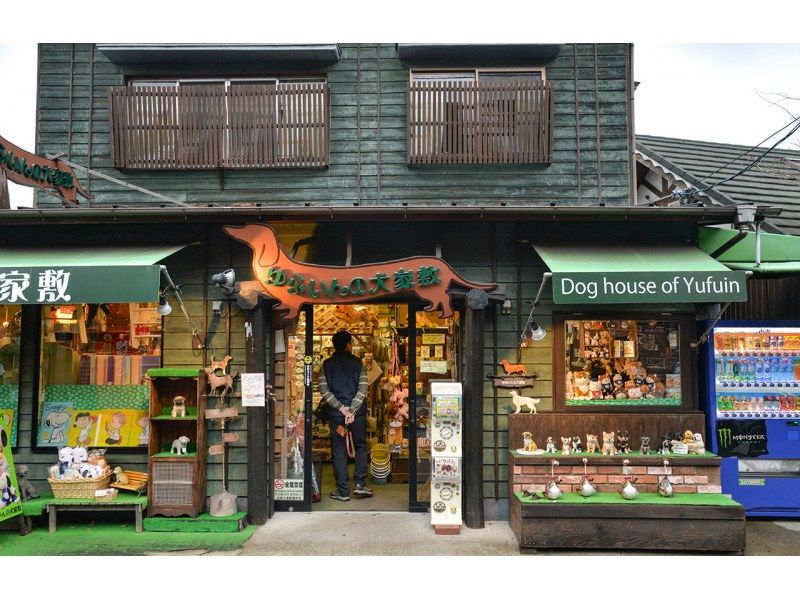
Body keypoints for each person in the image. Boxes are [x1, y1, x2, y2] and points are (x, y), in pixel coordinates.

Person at [318, 330, 373, 501]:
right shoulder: (358, 363)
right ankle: (360, 484)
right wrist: (353, 410)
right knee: (361, 445)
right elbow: (363, 388)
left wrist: (341, 408)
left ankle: (342, 491)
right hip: (358, 414)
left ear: (333, 345)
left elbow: (324, 390)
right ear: (349, 344)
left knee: (339, 448)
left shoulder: (326, 365)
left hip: (336, 414)